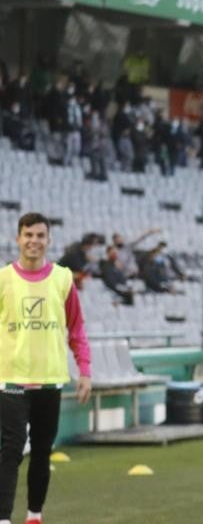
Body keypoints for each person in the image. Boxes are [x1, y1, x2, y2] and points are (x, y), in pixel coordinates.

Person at [1, 212, 93, 524]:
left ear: (48, 240)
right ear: (18, 238)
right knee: (10, 452)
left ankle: (34, 516)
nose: (34, 241)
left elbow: (77, 329)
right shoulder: (2, 280)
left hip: (51, 381)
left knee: (41, 452)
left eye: (40, 236)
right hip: (12, 382)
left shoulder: (63, 279)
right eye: (28, 235)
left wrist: (85, 371)